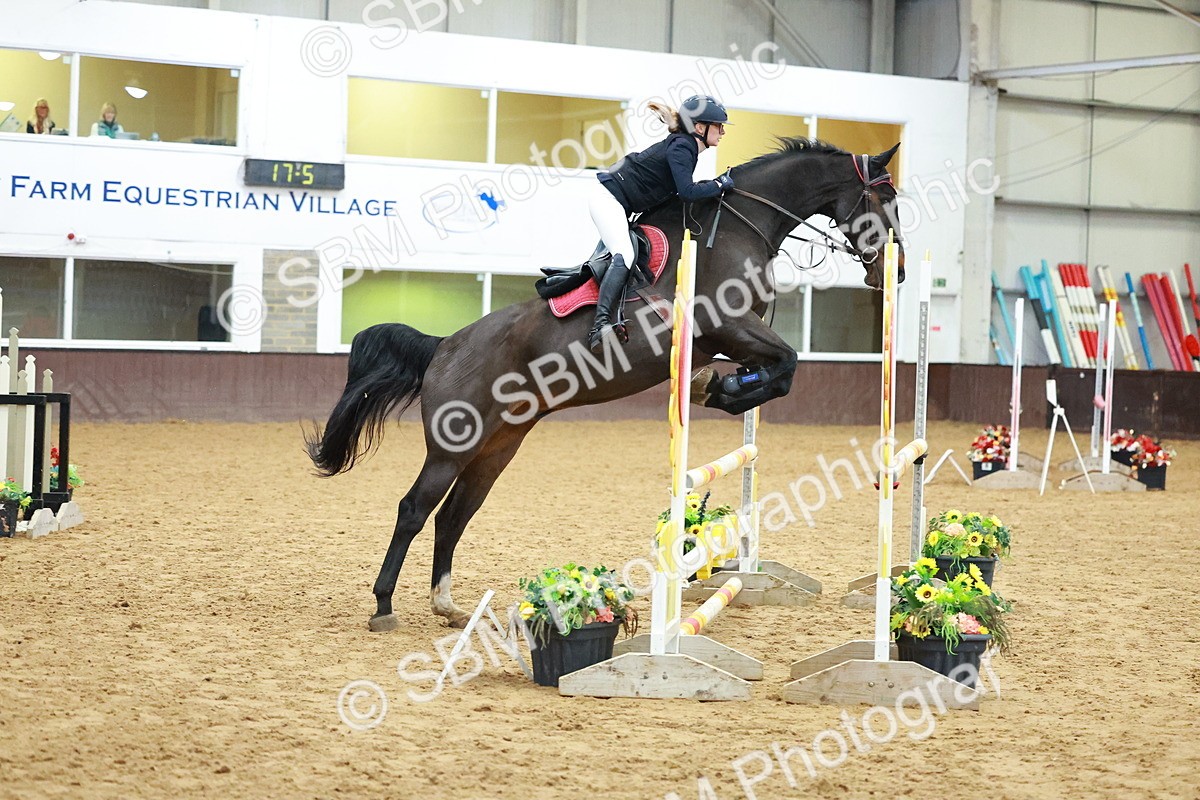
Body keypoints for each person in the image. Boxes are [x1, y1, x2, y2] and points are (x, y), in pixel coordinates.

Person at [585, 94, 734, 352]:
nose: (722, 132)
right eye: (718, 126)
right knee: (625, 255)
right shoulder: (683, 146)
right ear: (700, 127)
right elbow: (687, 192)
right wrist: (719, 184)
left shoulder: (686, 146)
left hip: (619, 203)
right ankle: (599, 326)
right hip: (608, 199)